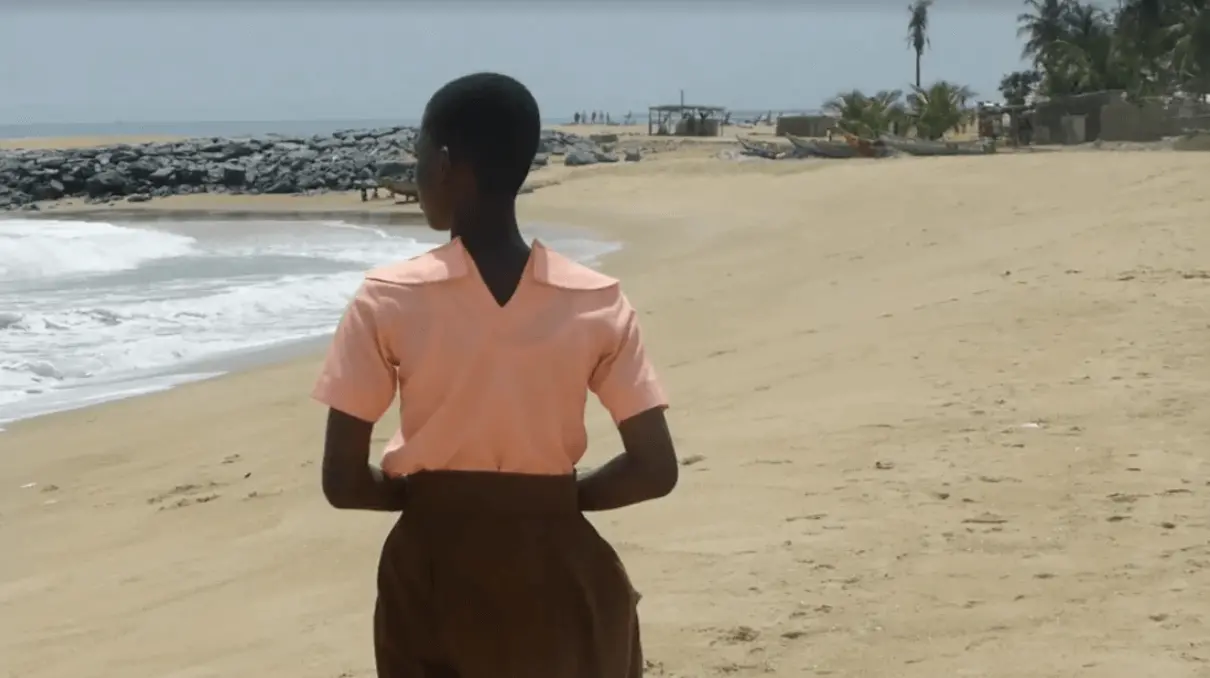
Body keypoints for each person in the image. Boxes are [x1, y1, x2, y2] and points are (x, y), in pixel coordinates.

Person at [311, 71, 679, 678]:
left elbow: (342, 482)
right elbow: (656, 469)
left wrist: (427, 499)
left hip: (434, 575)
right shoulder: (595, 299)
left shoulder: (387, 299)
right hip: (561, 571)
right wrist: (552, 502)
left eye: (422, 156)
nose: (420, 171)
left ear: (449, 164)